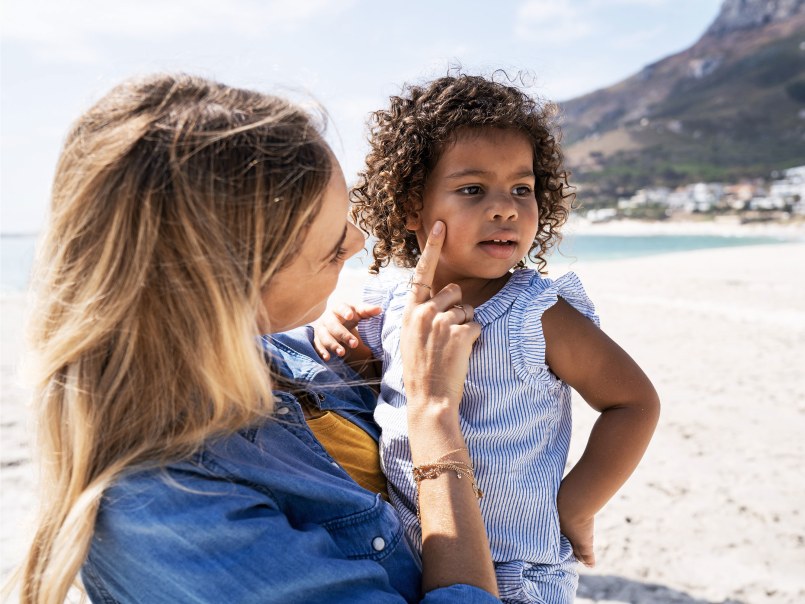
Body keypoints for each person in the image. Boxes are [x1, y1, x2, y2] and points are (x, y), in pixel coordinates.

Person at [15, 74, 502, 603]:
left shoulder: (286, 356)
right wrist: (430, 413)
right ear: (231, 287)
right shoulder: (170, 514)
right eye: (333, 248)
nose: (359, 241)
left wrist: (374, 365)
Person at [313, 73, 661, 604]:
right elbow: (383, 391)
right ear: (411, 206)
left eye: (522, 189)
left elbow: (634, 402)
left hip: (519, 574)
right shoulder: (391, 305)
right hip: (406, 561)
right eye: (473, 189)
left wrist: (578, 504)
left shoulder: (535, 314)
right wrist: (339, 335)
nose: (506, 208)